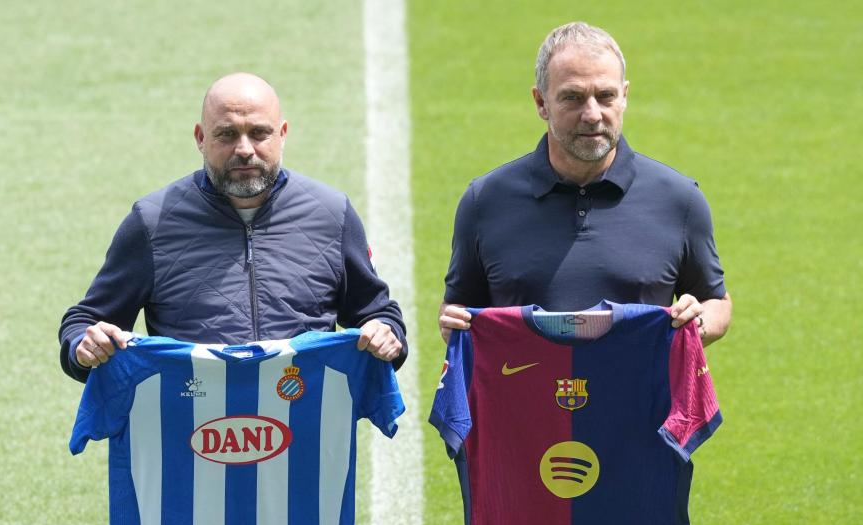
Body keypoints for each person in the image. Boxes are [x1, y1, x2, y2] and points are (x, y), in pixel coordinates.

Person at [60, 72, 405, 381]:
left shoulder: (332, 214)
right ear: (200, 137)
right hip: (190, 424)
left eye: (259, 133)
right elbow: (84, 321)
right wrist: (84, 344)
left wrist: (385, 332)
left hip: (305, 422)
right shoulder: (152, 222)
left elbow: (377, 314)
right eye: (226, 134)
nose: (244, 149)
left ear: (282, 134)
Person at [439, 22, 731, 343]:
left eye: (605, 96)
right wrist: (453, 322)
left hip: (638, 379)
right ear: (541, 103)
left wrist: (699, 321)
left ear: (624, 97)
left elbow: (715, 301)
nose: (592, 114)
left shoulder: (679, 200)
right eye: (573, 98)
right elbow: (458, 308)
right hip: (523, 379)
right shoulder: (485, 202)